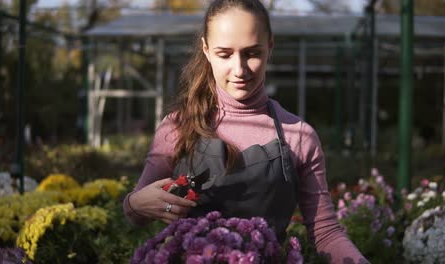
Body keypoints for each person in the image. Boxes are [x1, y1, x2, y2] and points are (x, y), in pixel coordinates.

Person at [124, 0, 368, 263]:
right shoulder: (178, 126)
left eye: (252, 53)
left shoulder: (299, 136)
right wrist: (136, 203)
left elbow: (325, 232)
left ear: (270, 47)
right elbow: (136, 213)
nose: (239, 70)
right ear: (206, 50)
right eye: (224, 54)